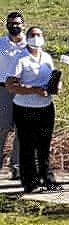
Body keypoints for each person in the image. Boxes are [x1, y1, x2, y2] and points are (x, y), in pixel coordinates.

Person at [6, 26, 60, 193]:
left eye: (39, 35)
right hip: (25, 108)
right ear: (27, 37)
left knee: (44, 146)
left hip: (45, 107)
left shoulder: (47, 58)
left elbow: (52, 77)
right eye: (32, 35)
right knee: (28, 147)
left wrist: (57, 85)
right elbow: (11, 85)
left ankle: (47, 178)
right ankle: (30, 182)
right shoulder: (21, 58)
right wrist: (34, 90)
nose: (36, 38)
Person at [0, 10, 28, 182]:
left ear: (23, 24)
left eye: (17, 23)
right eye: (11, 23)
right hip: (3, 91)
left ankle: (16, 166)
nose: (14, 26)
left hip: (23, 91)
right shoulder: (1, 44)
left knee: (21, 130)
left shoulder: (30, 45)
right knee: (1, 129)